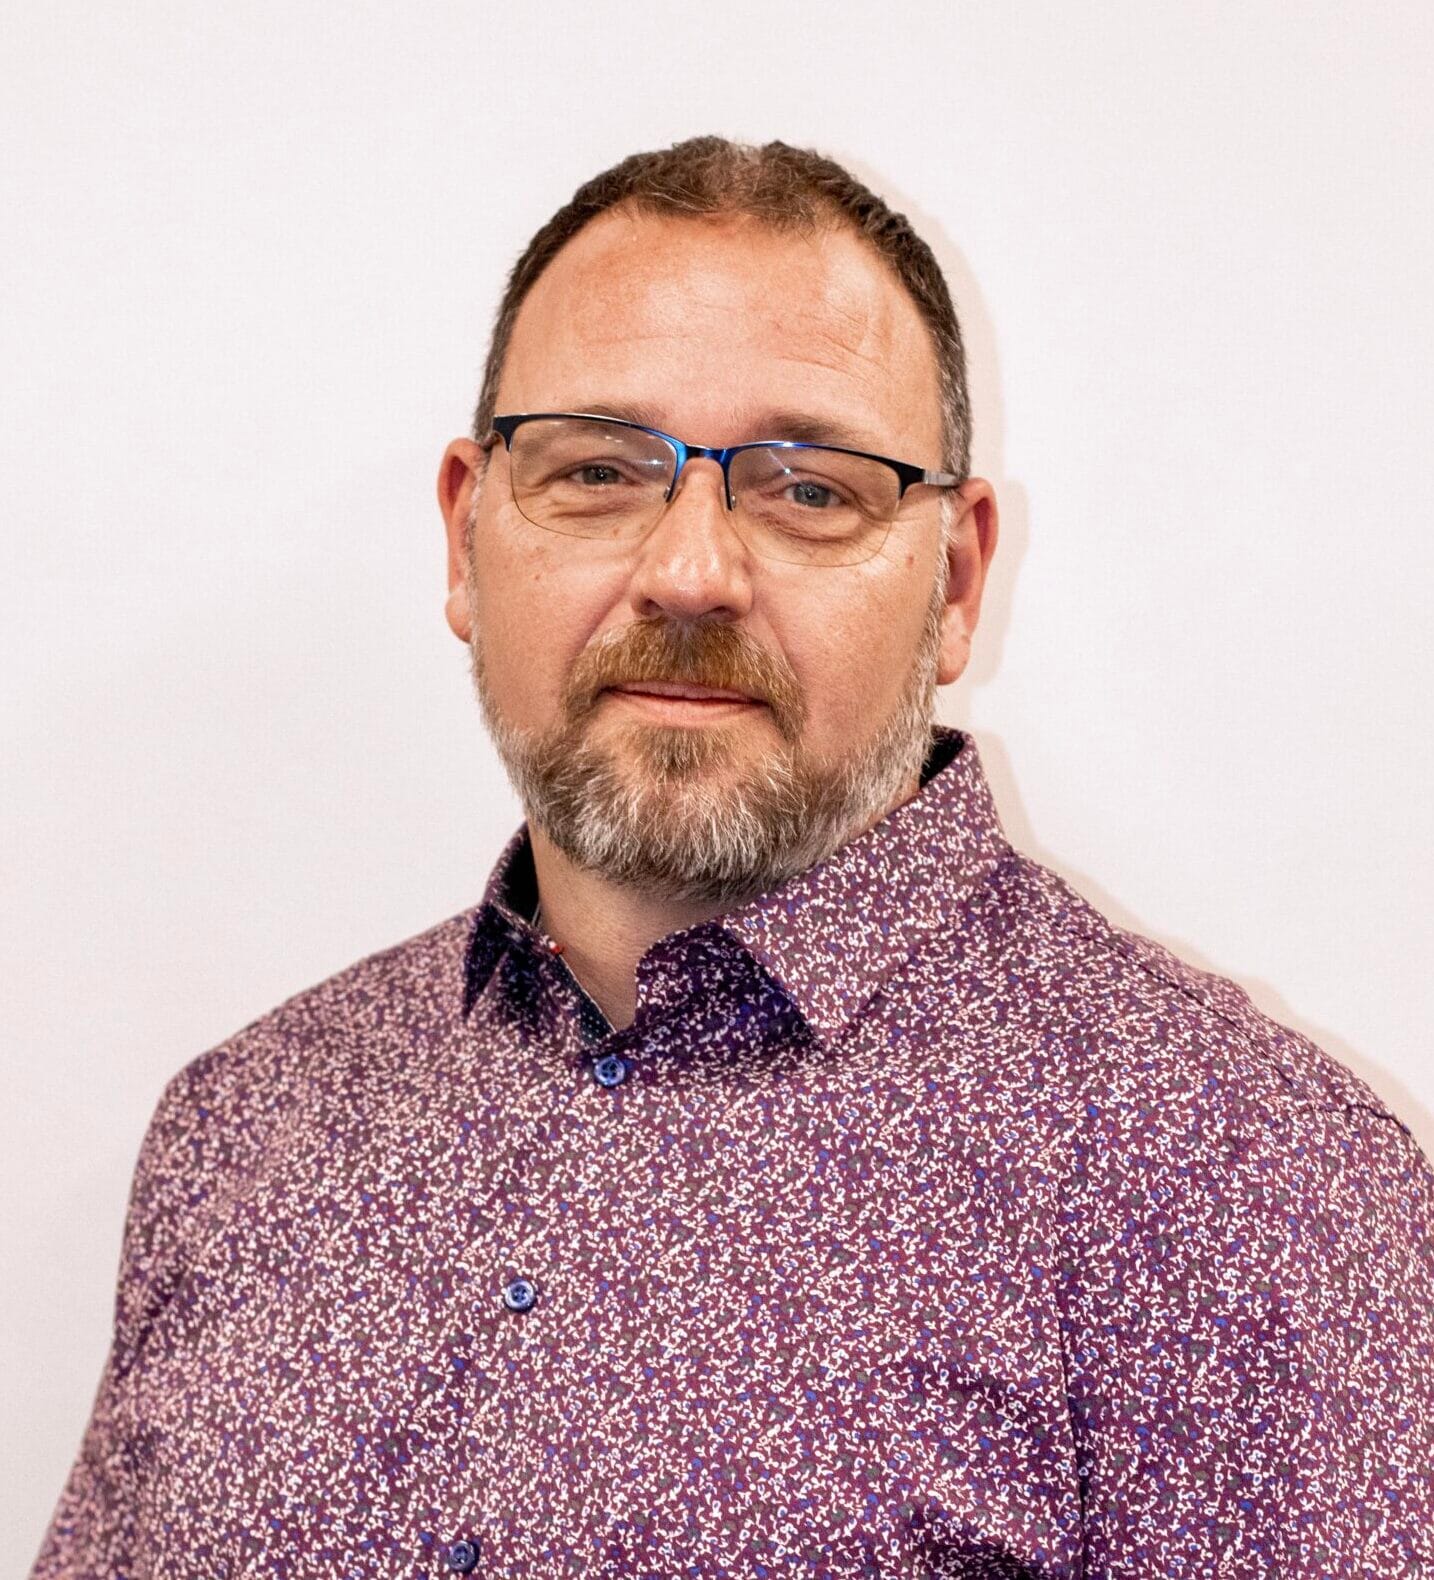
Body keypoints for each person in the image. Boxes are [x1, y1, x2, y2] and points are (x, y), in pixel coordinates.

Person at [31, 135, 1433, 1579]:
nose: (690, 569)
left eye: (809, 488)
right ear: (465, 538)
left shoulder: (1247, 1184)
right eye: (594, 470)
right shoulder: (243, 1135)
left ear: (954, 584)